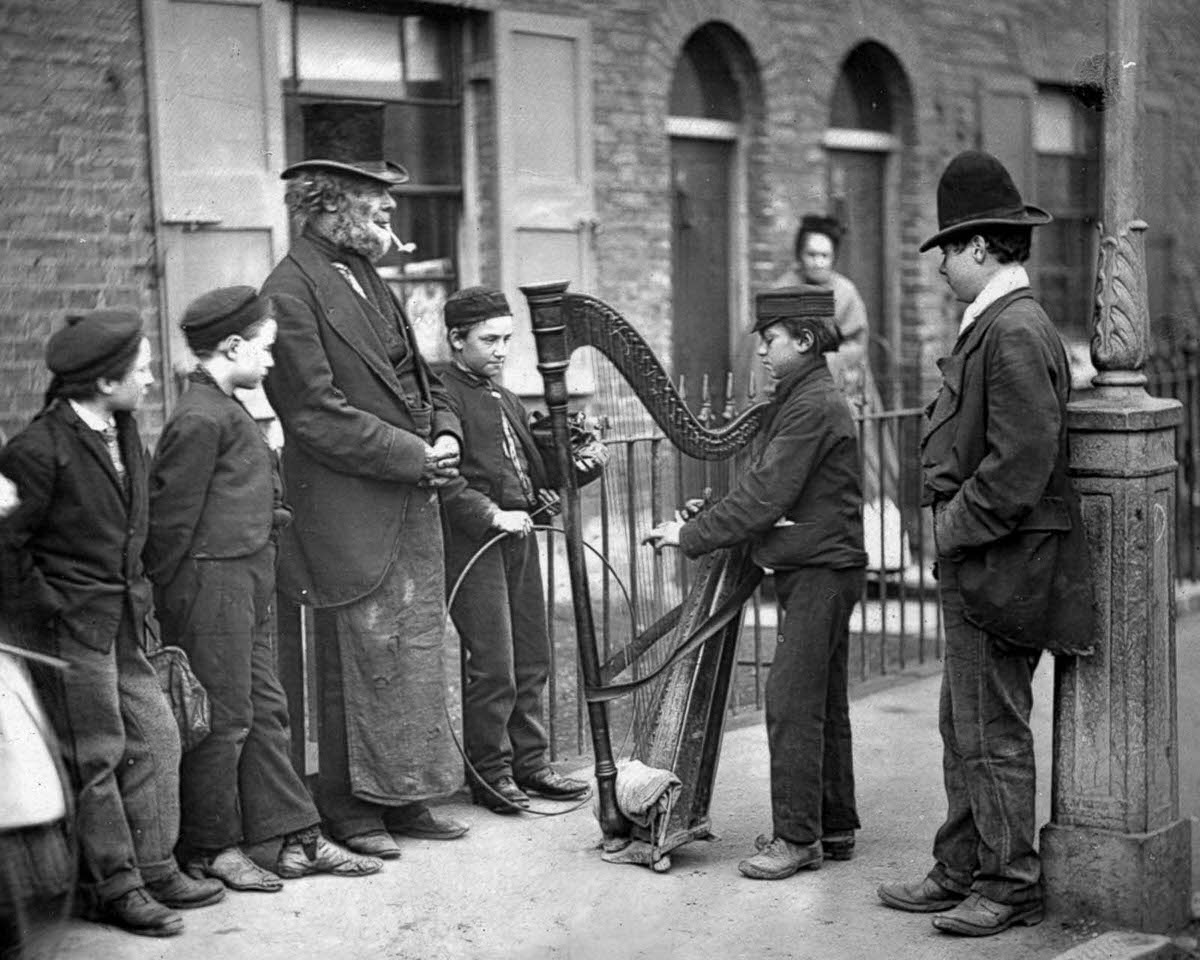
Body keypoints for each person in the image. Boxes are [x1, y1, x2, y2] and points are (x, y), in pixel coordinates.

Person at [877, 150, 1093, 936]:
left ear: (979, 247)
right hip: (984, 560)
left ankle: (1009, 882)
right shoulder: (998, 324)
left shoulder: (1012, 330)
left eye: (945, 251)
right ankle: (962, 865)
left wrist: (948, 527)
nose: (938, 268)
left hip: (1002, 563)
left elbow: (1021, 465)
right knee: (961, 722)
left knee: (991, 729)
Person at [261, 157, 468, 861]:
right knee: (357, 651)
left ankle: (403, 795)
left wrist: (445, 430)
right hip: (349, 504)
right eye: (376, 208)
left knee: (410, 649)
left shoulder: (368, 274)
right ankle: (349, 811)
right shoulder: (289, 291)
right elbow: (314, 415)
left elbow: (420, 372)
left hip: (407, 493)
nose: (389, 220)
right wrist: (415, 455)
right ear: (326, 208)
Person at [145, 287, 383, 892]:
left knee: (266, 712)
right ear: (233, 346)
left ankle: (295, 836)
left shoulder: (226, 409)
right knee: (224, 720)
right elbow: (170, 523)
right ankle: (211, 847)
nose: (272, 362)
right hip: (211, 585)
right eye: (266, 349)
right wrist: (180, 601)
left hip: (246, 577)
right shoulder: (199, 417)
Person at [0, 310, 224, 938]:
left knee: (157, 734)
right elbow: (6, 549)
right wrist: (52, 610)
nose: (152, 378)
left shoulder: (123, 429)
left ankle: (154, 864)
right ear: (104, 380)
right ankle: (117, 887)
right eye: (143, 368)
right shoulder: (38, 450)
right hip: (70, 628)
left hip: (122, 617)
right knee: (98, 756)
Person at [646, 285, 867, 881]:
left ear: (803, 338)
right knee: (821, 698)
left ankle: (798, 839)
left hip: (821, 569)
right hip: (822, 565)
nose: (763, 351)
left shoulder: (812, 404)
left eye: (769, 339)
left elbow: (767, 496)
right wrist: (712, 513)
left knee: (791, 701)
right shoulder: (800, 397)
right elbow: (766, 488)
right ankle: (834, 823)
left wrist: (688, 537)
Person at [437, 287, 590, 814]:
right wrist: (490, 513)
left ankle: (531, 763)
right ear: (456, 340)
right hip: (474, 546)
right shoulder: (442, 394)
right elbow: (445, 481)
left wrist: (568, 473)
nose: (502, 350)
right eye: (489, 339)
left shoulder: (503, 397)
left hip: (518, 539)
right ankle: (491, 772)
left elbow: (528, 473)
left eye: (507, 339)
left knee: (532, 655)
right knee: (495, 664)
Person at [782, 214, 903, 569]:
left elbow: (856, 346)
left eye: (825, 256)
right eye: (811, 254)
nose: (818, 262)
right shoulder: (785, 287)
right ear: (800, 255)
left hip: (844, 388)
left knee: (862, 462)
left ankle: (873, 556)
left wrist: (822, 361)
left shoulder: (845, 292)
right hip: (797, 390)